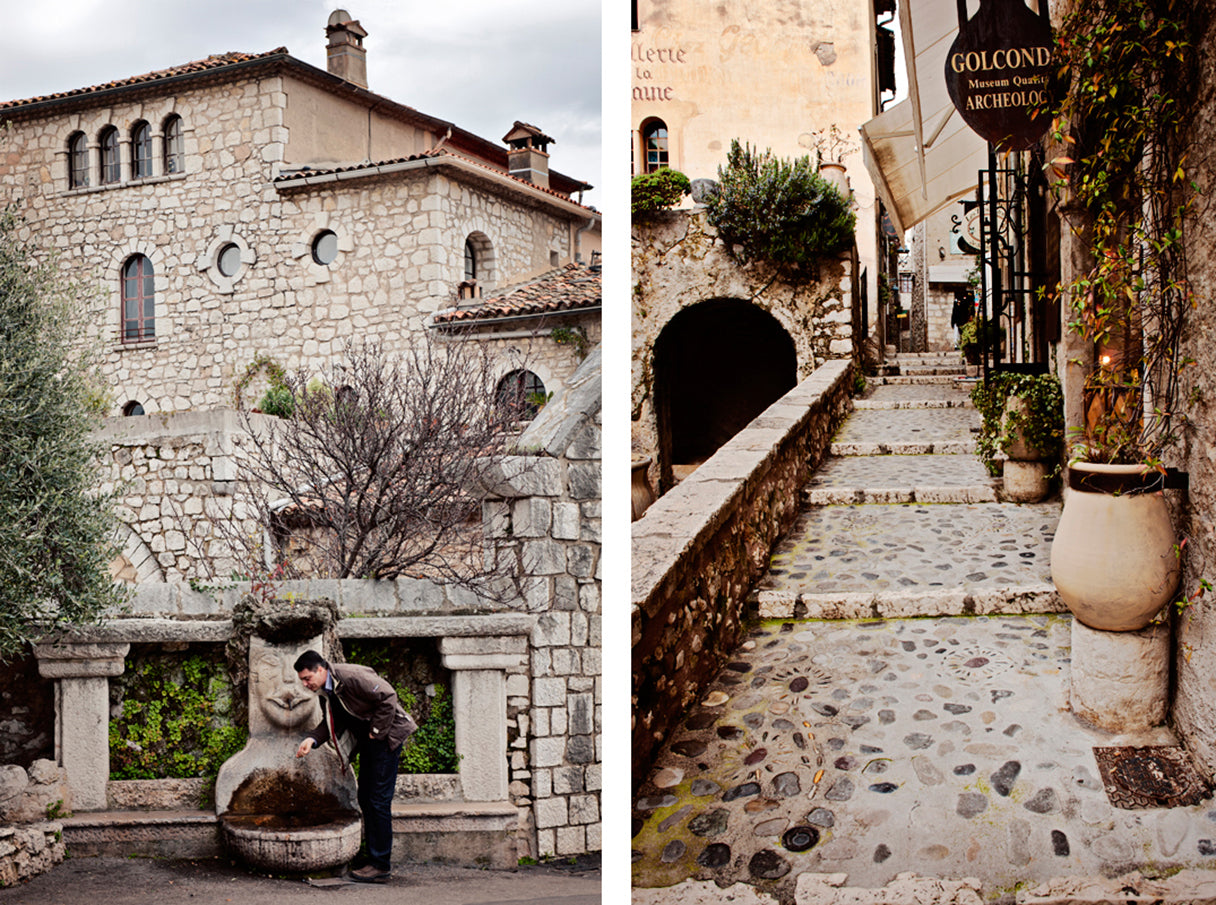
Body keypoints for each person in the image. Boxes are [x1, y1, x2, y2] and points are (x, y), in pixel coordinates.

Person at [294, 649, 417, 883]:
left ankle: (380, 866)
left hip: (386, 738)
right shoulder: (326, 690)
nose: (305, 684)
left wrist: (375, 733)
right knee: (366, 797)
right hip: (371, 742)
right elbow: (333, 721)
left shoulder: (350, 676)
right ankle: (373, 858)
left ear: (320, 670)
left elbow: (388, 696)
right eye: (302, 680)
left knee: (377, 800)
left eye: (307, 678)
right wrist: (312, 739)